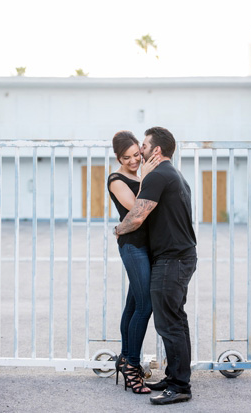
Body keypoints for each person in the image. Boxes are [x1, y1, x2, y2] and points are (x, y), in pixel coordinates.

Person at [114, 126, 197, 405]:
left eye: (144, 147)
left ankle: (180, 386)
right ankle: (176, 378)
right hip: (179, 256)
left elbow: (136, 218)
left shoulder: (157, 175)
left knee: (169, 323)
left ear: (156, 150)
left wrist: (118, 229)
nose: (141, 153)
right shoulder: (175, 175)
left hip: (172, 259)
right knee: (176, 320)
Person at [107, 131, 154, 394]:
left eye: (137, 154)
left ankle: (125, 356)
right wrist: (147, 177)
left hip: (147, 247)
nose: (134, 160)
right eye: (128, 157)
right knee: (145, 305)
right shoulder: (116, 179)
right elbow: (138, 208)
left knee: (134, 303)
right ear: (118, 157)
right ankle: (132, 367)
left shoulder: (138, 174)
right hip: (133, 246)